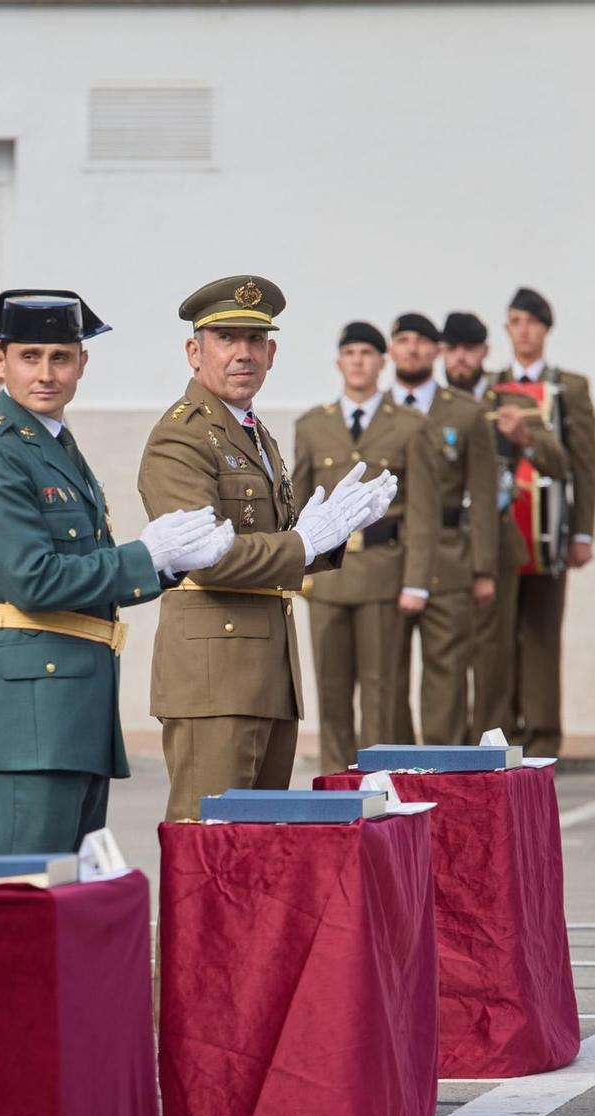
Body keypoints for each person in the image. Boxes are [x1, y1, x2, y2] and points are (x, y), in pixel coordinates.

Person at [0, 290, 231, 852]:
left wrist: (169, 564)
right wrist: (145, 557)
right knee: (26, 896)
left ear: (82, 363)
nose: (47, 373)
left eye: (61, 357)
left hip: (70, 710)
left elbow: (86, 574)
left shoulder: (52, 444)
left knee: (70, 905)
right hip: (30, 718)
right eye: (30, 357)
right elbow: (34, 581)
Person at [139, 274, 393, 821]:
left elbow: (274, 538)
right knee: (209, 840)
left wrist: (329, 532)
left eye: (255, 341)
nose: (243, 354)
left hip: (265, 672)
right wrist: (305, 542)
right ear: (194, 351)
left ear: (271, 353)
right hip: (215, 677)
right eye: (226, 338)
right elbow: (207, 559)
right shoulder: (181, 436)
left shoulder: (252, 431)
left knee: (260, 849)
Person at [293, 321, 438, 772]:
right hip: (328, 580)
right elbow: (297, 502)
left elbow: (422, 511)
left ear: (383, 361)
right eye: (350, 352)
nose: (358, 360)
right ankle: (337, 784)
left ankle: (382, 786)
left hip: (383, 573)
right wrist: (293, 569)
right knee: (332, 691)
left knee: (382, 690)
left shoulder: (410, 425)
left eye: (367, 353)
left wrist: (416, 581)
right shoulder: (313, 424)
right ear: (339, 363)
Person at [444, 311, 567, 738]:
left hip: (498, 541)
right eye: (453, 349)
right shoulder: (434, 404)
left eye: (470, 349)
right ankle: (450, 751)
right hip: (446, 543)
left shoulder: (510, 402)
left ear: (484, 352)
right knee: (448, 653)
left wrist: (526, 439)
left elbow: (559, 463)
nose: (461, 359)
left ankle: (492, 751)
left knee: (494, 654)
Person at [497, 287, 595, 757]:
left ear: (546, 329)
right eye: (515, 321)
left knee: (540, 639)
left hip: (548, 534)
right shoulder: (489, 385)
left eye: (531, 322)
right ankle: (503, 739)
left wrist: (582, 532)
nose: (523, 331)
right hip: (500, 535)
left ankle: (542, 739)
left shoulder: (569, 386)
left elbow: (584, 464)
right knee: (498, 639)